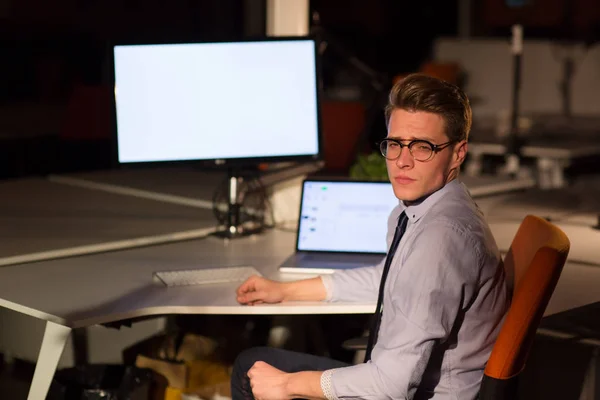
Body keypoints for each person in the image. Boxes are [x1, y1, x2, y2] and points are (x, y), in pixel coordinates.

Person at [230, 73, 509, 400]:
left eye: (423, 147)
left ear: (458, 154)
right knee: (256, 363)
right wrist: (286, 291)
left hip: (410, 393)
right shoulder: (425, 209)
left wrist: (288, 385)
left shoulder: (441, 239)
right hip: (401, 379)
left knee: (250, 369)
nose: (403, 161)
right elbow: (387, 276)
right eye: (395, 144)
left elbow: (391, 385)